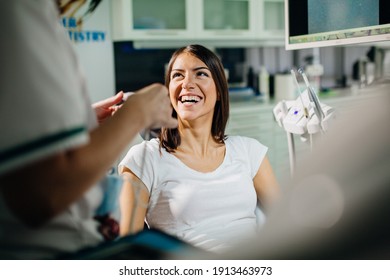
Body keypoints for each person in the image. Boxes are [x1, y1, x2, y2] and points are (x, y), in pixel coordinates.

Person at [0, 0, 177, 259]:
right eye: (178, 76)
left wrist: (77, 123)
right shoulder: (20, 11)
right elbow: (45, 191)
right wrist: (136, 113)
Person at [118, 44, 280, 253]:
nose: (187, 84)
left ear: (220, 92)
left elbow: (287, 223)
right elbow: (128, 250)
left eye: (201, 74)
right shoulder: (145, 158)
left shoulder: (249, 152)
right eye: (177, 75)